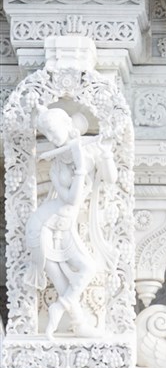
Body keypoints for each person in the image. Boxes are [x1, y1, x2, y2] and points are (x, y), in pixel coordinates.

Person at [25, 106, 117, 336]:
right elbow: (71, 198)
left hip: (62, 226)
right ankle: (78, 323)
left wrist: (105, 153)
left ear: (68, 126)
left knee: (88, 268)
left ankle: (61, 308)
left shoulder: (87, 150)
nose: (54, 139)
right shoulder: (58, 164)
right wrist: (79, 169)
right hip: (43, 225)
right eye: (49, 136)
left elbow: (110, 178)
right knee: (59, 278)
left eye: (55, 132)